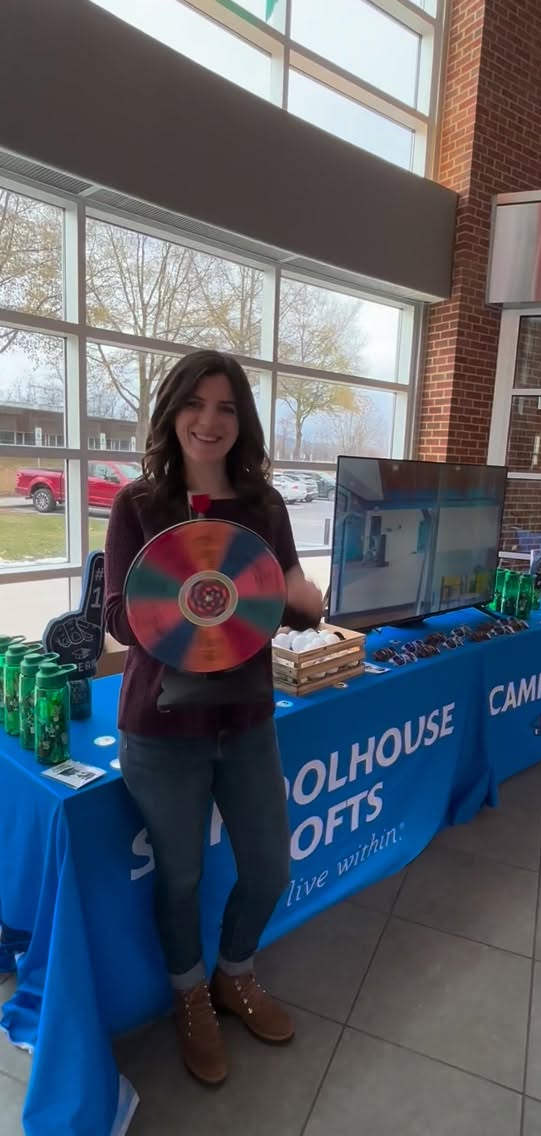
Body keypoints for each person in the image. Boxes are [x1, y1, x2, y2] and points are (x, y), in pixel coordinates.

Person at [104, 349, 323, 1086]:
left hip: (247, 719)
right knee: (181, 876)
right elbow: (116, 619)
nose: (209, 421)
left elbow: (287, 599)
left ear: (242, 420)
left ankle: (235, 972)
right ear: (172, 413)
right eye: (195, 404)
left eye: (226, 407)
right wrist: (188, 597)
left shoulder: (264, 506)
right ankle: (189, 995)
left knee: (270, 868)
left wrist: (299, 603)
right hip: (162, 729)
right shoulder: (139, 504)